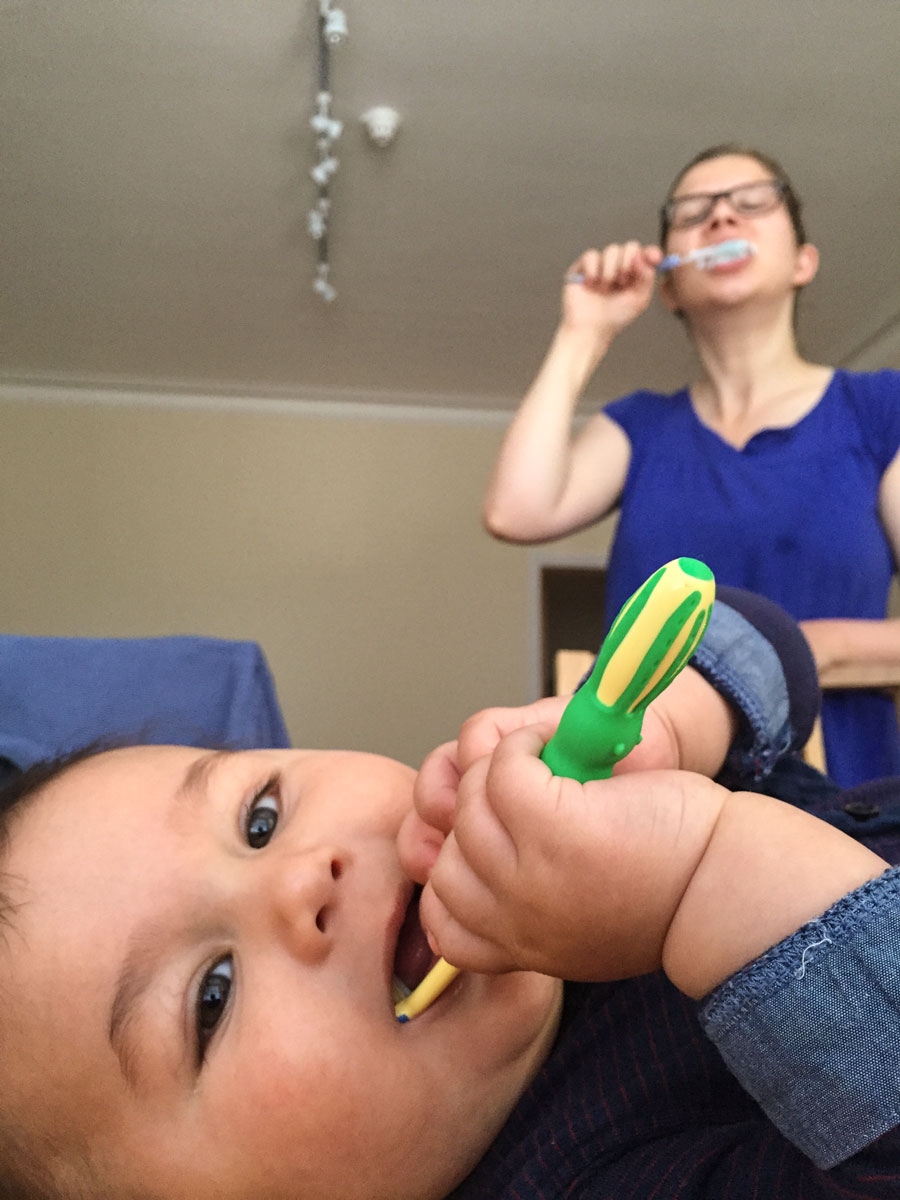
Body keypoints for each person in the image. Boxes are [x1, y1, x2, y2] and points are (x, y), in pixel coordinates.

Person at [2, 589, 900, 1199]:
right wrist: (704, 872)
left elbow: (760, 639)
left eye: (261, 818)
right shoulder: (585, 1173)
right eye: (210, 999)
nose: (298, 881)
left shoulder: (550, 827)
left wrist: (667, 726)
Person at [482, 143, 900, 789]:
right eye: (693, 211)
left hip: (843, 799)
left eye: (754, 201)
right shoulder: (639, 427)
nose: (722, 219)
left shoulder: (880, 410)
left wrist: (787, 650)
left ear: (804, 261)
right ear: (670, 285)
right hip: (643, 795)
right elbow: (517, 510)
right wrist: (585, 330)